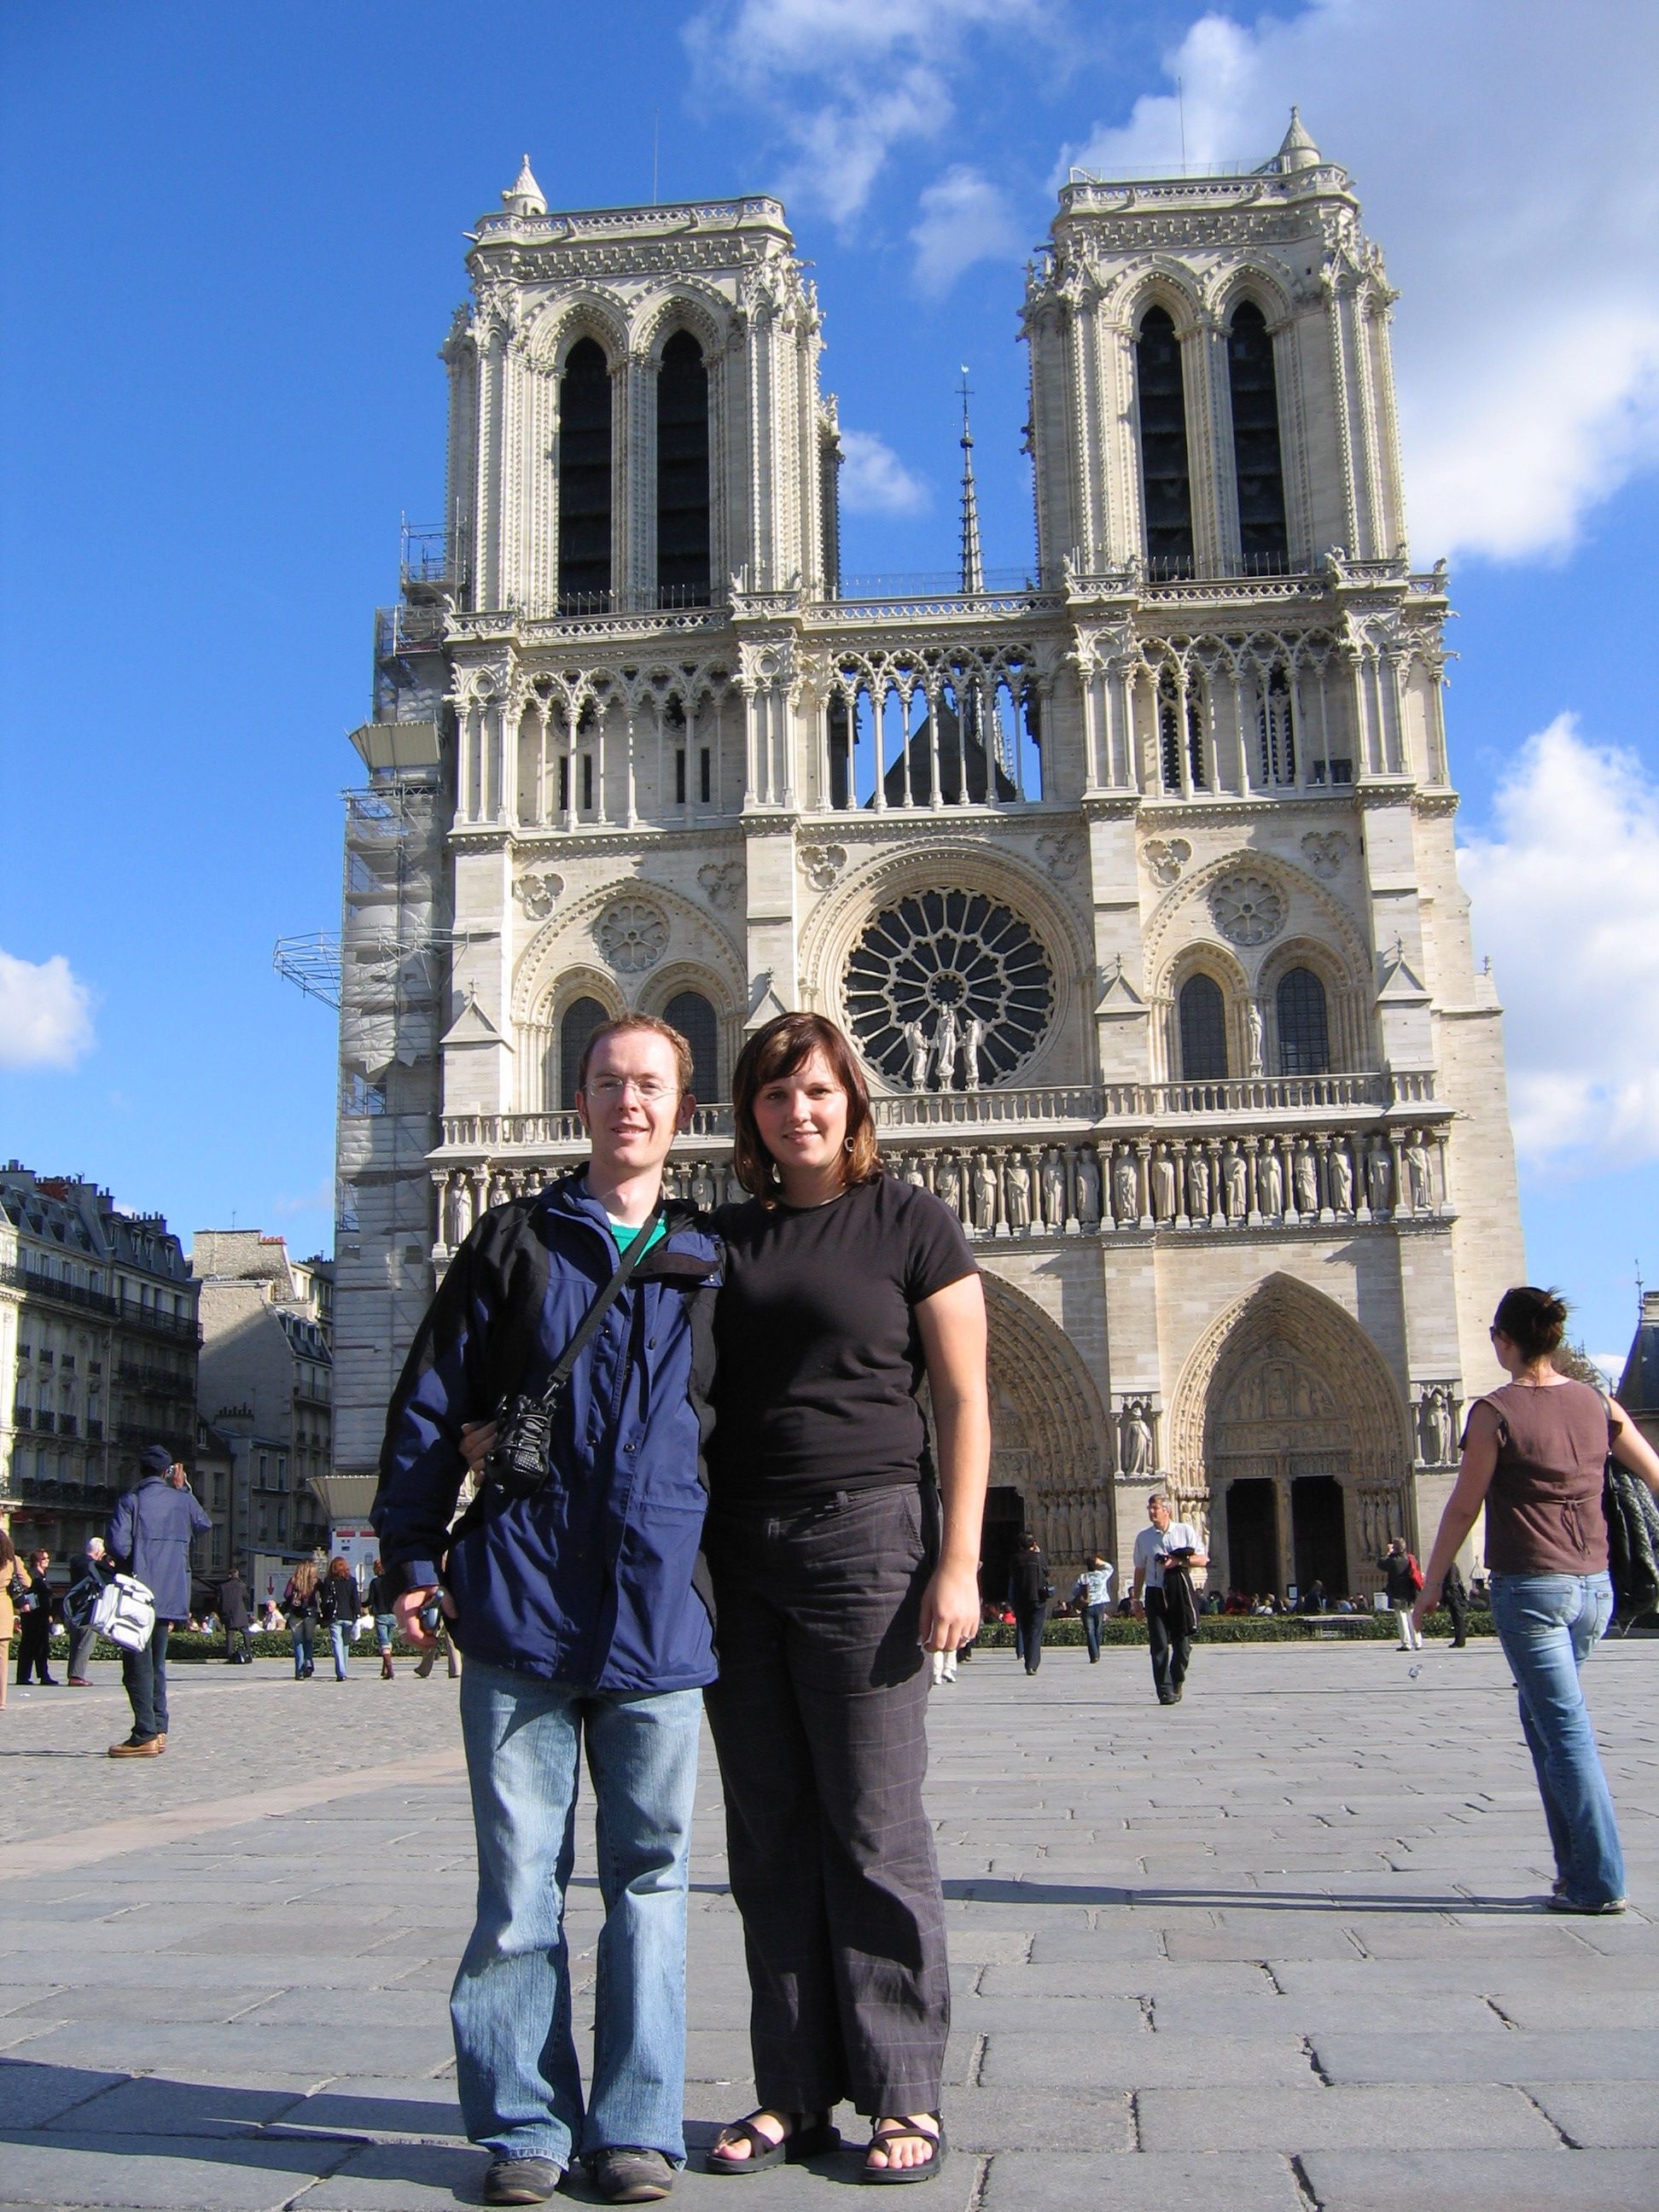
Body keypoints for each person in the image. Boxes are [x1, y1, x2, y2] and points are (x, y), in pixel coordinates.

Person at [376, 1012, 722, 2207]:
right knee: (521, 1881)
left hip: (659, 1618)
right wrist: (414, 1556)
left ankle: (636, 2124)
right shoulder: (514, 1241)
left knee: (651, 1883)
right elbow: (432, 1402)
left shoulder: (712, 1258)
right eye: (609, 1079)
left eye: (652, 1085)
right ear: (577, 1095)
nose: (630, 1102)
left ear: (684, 1105)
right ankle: (524, 2123)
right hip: (522, 1601)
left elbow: (765, 1430)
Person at [700, 1012, 987, 2184]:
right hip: (738, 1552)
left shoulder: (911, 1220)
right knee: (768, 1836)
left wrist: (958, 1563)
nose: (797, 1111)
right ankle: (796, 2091)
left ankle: (904, 2091)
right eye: (774, 1096)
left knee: (873, 1825)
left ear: (851, 1101)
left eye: (815, 1090)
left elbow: (965, 1401)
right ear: (751, 1118)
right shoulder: (720, 1238)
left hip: (866, 1538)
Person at [1412, 1286, 1659, 1915]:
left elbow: (1464, 1506)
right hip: (1594, 1590)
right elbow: (1655, 1473)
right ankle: (1572, 1870)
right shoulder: (1599, 1403)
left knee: (1566, 1731)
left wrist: (1433, 1583)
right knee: (1543, 1719)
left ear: (1505, 1341)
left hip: (1532, 1588)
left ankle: (1599, 1881)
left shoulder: (1494, 1413)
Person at [106, 1447, 212, 1756]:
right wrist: (185, 1490)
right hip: (171, 1595)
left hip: (139, 1595)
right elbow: (204, 1524)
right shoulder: (182, 1500)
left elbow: (119, 1546)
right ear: (168, 1472)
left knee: (136, 1666)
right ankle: (160, 1728)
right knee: (157, 1664)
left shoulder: (131, 1500)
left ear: (141, 1471)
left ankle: (144, 1733)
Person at [1132, 1492, 1208, 1706]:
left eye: (1155, 1508)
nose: (1152, 1512)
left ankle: (1176, 1681)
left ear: (1167, 1510)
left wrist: (1178, 1561)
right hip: (1155, 1592)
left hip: (1179, 1591)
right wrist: (1135, 1600)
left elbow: (1203, 1559)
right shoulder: (1143, 1538)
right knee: (1159, 1644)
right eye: (1150, 1508)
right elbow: (1139, 1569)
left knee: (1183, 1645)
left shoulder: (1184, 1531)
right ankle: (1164, 1690)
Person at [65, 1539, 113, 1682]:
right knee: (86, 1641)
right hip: (87, 1607)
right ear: (98, 1552)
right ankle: (76, 1676)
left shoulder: (76, 1561)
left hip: (74, 1605)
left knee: (76, 1641)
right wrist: (108, 1565)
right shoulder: (92, 1565)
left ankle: (73, 1673)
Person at [1007, 1530, 1052, 1675]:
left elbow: (1013, 1576)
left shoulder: (1015, 1559)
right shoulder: (1038, 1558)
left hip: (1021, 1599)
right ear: (1033, 1544)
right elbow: (1047, 1572)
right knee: (1035, 1632)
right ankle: (1032, 1664)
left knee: (1025, 1631)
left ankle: (1028, 1661)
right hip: (1038, 1598)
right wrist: (1038, 1554)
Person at [15, 1549, 58, 1685]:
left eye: (48, 1558)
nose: (47, 1561)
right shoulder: (32, 1575)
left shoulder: (43, 1575)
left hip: (42, 1615)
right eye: (44, 1559)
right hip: (33, 1616)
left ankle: (43, 1675)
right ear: (37, 1561)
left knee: (42, 1647)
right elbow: (27, 1592)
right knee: (30, 1646)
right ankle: (23, 1676)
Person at [318, 1556, 358, 1680]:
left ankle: (341, 1673)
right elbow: (355, 1600)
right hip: (348, 1617)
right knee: (345, 1644)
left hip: (335, 1617)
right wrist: (357, 1615)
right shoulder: (351, 1581)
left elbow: (325, 1600)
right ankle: (343, 1669)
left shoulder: (329, 1581)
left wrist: (324, 1614)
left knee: (337, 1644)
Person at [1071, 1553, 1115, 1663]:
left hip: (1086, 1606)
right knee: (1098, 1630)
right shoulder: (1102, 1575)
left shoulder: (1083, 1577)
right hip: (1099, 1605)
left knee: (1089, 1631)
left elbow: (1075, 1592)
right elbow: (1110, 1568)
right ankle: (1097, 1653)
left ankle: (1094, 1655)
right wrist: (1100, 1561)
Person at [1381, 1538, 1423, 1650]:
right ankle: (1418, 1642)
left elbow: (1380, 1564)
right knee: (1412, 1617)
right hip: (1411, 1592)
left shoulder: (1392, 1560)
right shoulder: (1411, 1558)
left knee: (1402, 1618)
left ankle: (1407, 1643)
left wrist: (1388, 1553)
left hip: (1397, 1593)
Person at [283, 1560, 321, 1679]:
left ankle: (299, 1671)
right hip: (311, 1613)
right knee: (308, 1640)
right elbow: (325, 1591)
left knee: (298, 1642)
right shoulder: (315, 1581)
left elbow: (286, 1594)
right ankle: (308, 1663)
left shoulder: (294, 1580)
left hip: (296, 1614)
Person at [366, 1557, 399, 1679]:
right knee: (389, 1644)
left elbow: (370, 1600)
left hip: (381, 1614)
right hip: (392, 1615)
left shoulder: (375, 1582)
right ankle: (385, 1670)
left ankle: (390, 1668)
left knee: (384, 1644)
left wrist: (362, 1605)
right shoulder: (393, 1582)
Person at [218, 1568, 252, 1664]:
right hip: (240, 1613)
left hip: (228, 1614)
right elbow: (247, 1598)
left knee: (229, 1635)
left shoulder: (222, 1586)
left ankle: (229, 1656)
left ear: (229, 1575)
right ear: (237, 1575)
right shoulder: (241, 1585)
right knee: (245, 1634)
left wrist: (221, 1614)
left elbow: (218, 1602)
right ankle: (248, 1653)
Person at [0, 1530, 16, 1713]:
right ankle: (1, 1700)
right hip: (4, 1609)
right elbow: (25, 1581)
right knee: (2, 1660)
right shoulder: (11, 1562)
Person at [1440, 1558, 1468, 1648]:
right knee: (1457, 1618)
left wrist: (1448, 1594)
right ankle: (1459, 1640)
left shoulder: (1451, 1566)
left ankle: (1460, 1641)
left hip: (1454, 1594)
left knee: (1458, 1618)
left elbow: (1451, 1582)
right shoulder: (1452, 1565)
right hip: (1454, 1593)